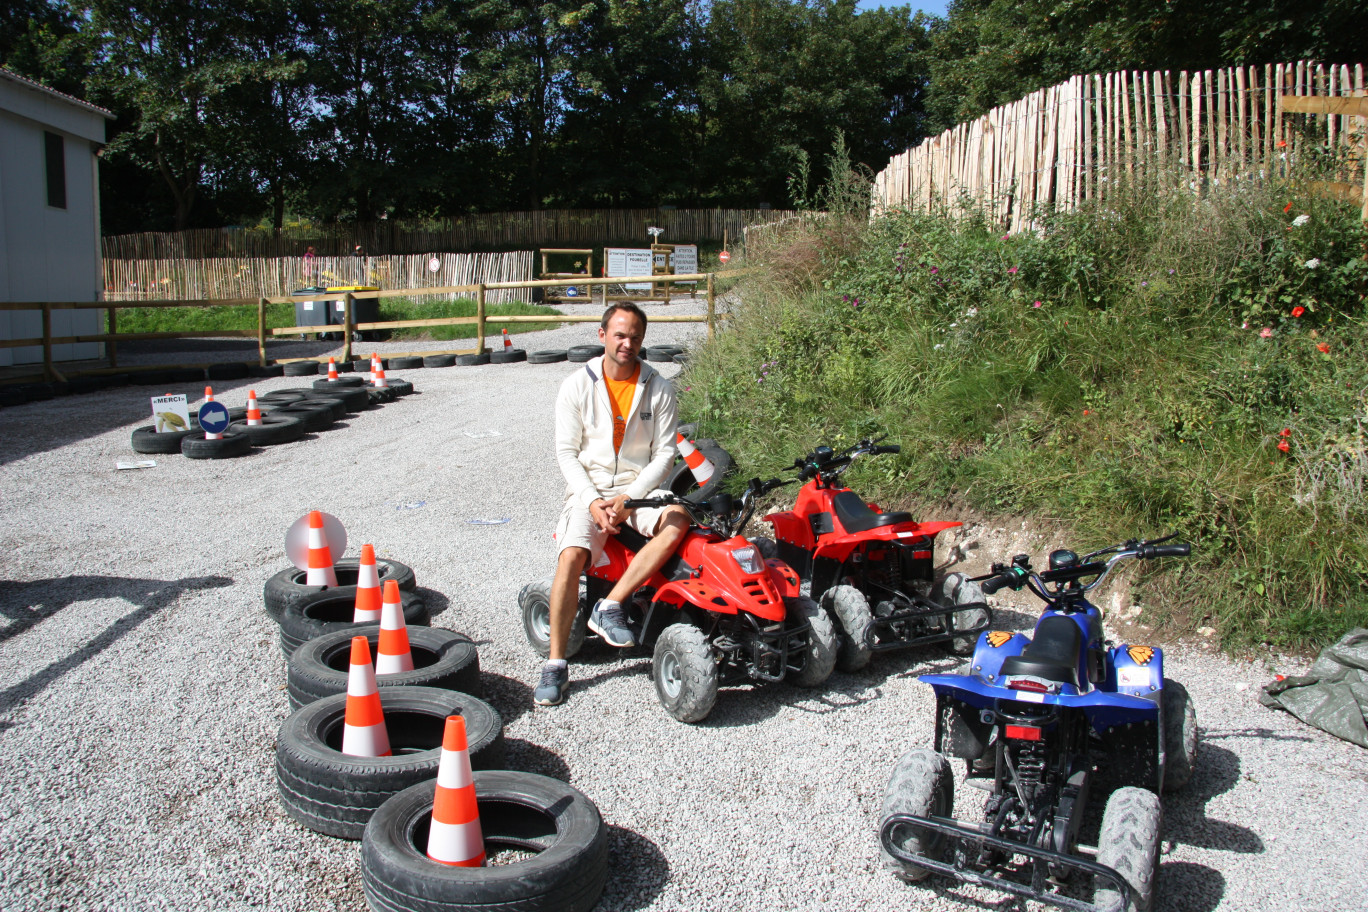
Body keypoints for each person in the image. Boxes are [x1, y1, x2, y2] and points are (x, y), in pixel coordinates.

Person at [534, 303, 690, 706]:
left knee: (678, 519)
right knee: (571, 556)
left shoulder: (659, 387)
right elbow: (566, 453)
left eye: (636, 336)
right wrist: (591, 501)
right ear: (602, 334)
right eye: (620, 335)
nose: (628, 343)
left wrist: (629, 497)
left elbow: (665, 455)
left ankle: (610, 604)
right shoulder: (576, 385)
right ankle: (555, 664)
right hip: (590, 488)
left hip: (637, 489)